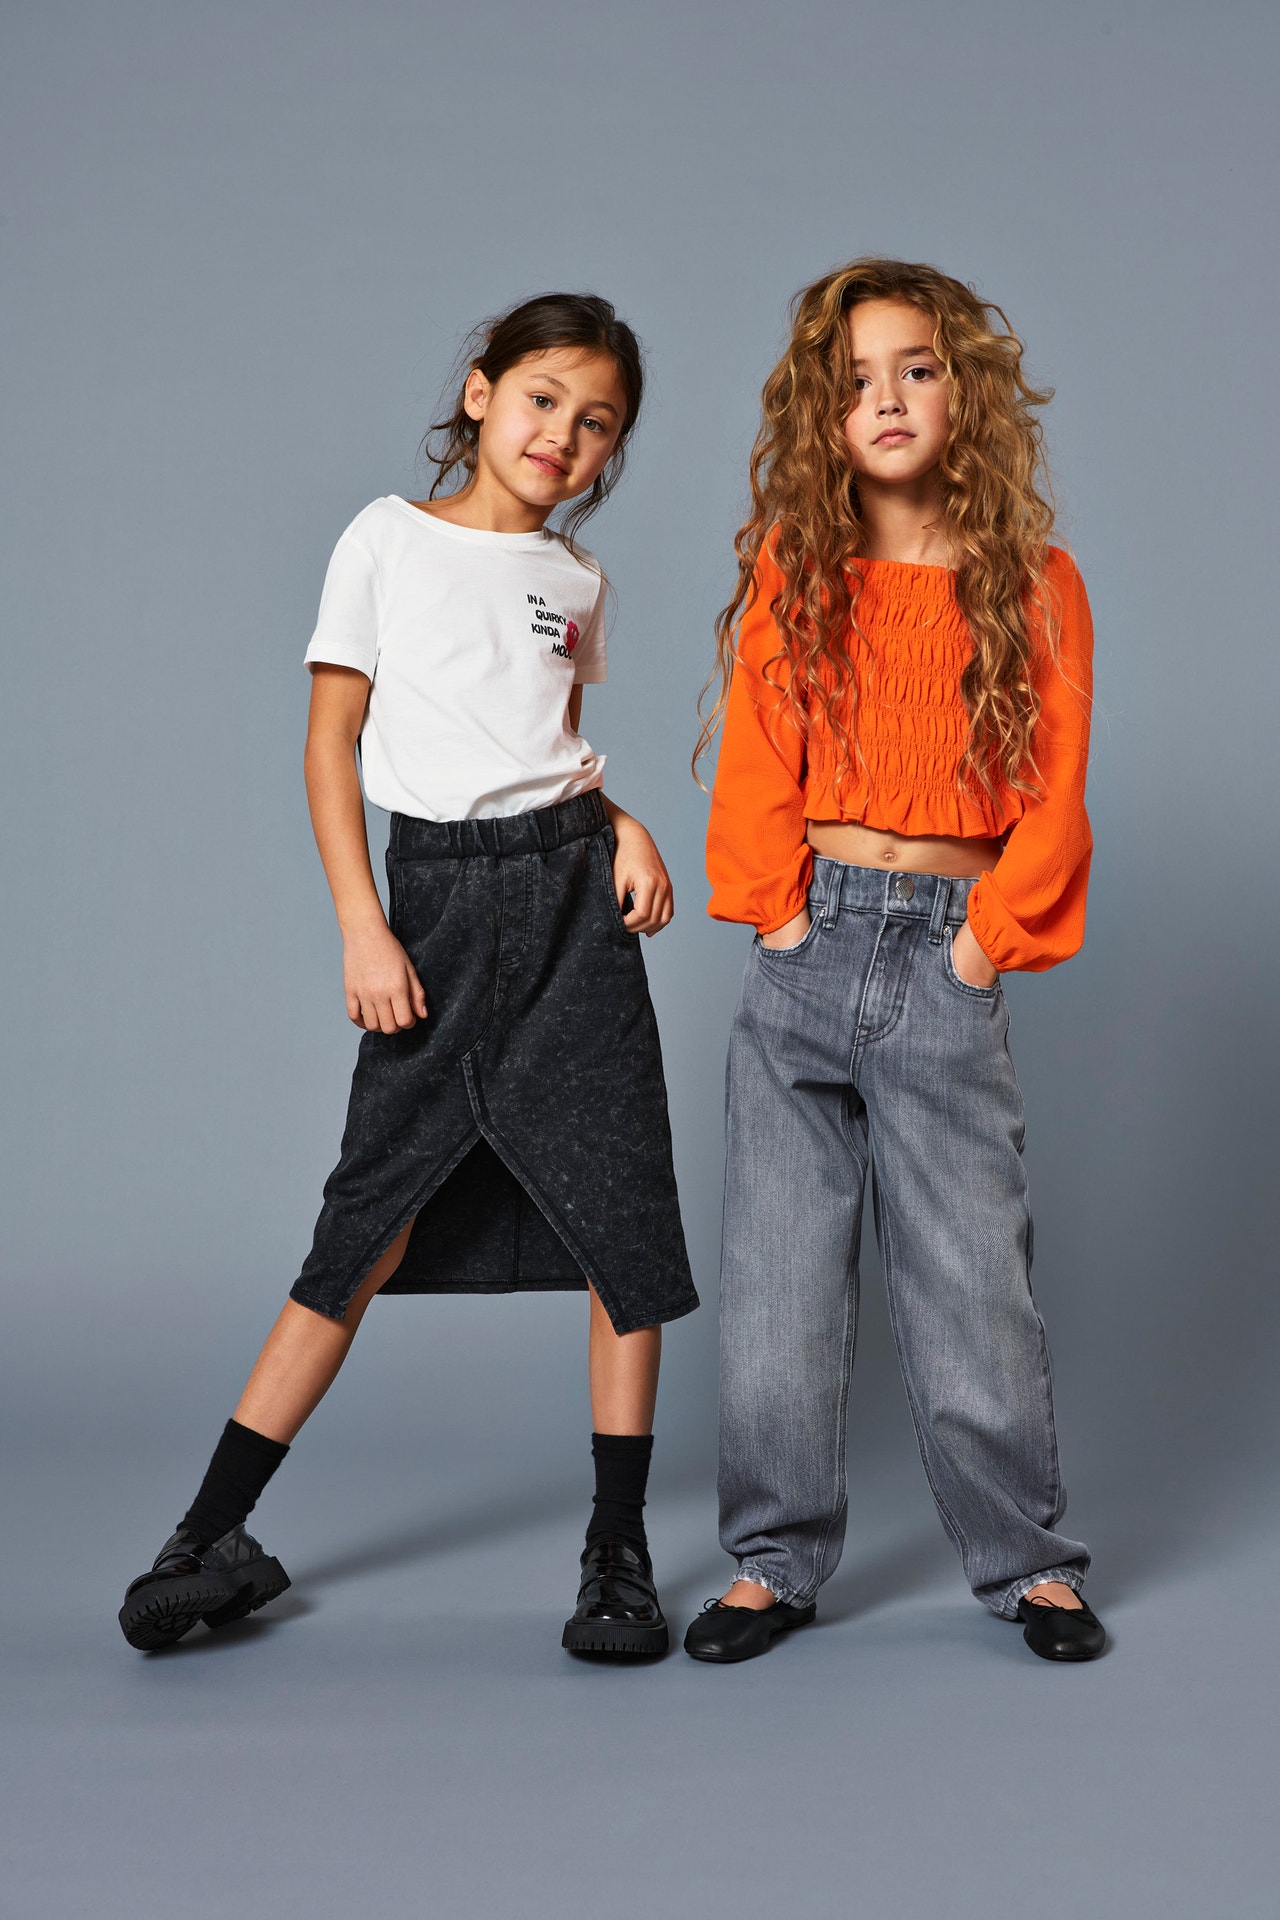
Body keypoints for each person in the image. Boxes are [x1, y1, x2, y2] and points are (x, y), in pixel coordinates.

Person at [119, 293, 697, 1659]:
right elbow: (331, 741)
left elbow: (545, 751)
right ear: (483, 393)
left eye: (598, 422)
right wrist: (362, 925)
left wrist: (625, 824)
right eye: (544, 398)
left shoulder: (575, 582)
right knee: (364, 1225)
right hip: (433, 906)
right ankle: (206, 1535)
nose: (564, 435)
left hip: (573, 916)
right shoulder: (384, 538)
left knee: (625, 1221)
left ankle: (616, 1553)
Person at [685, 257, 1105, 1665]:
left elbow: (1055, 794)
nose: (886, 398)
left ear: (962, 390)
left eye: (915, 368)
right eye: (854, 380)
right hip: (810, 941)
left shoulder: (1034, 584)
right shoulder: (794, 571)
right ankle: (772, 1561)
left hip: (946, 953)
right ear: (821, 414)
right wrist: (780, 917)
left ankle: (1028, 1564)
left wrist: (982, 948)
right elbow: (759, 761)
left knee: (972, 1278)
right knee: (778, 1282)